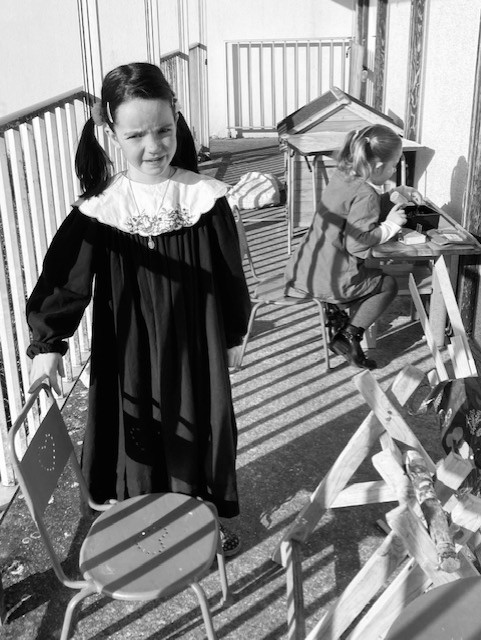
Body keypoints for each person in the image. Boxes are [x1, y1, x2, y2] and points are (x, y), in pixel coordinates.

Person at [26, 62, 251, 556]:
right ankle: (143, 520)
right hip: (127, 347)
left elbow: (230, 275)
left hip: (196, 346)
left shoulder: (203, 198)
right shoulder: (101, 209)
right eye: (135, 135)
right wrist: (49, 343)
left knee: (201, 426)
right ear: (112, 134)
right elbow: (65, 279)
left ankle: (201, 518)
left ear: (177, 119)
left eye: (164, 130)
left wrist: (235, 335)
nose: (154, 146)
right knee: (139, 432)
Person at [284, 124, 424, 370]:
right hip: (331, 278)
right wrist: (390, 226)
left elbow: (357, 210)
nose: (394, 171)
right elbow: (358, 245)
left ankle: (337, 311)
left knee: (368, 274)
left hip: (306, 269)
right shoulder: (366, 193)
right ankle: (349, 335)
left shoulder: (343, 177)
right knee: (387, 284)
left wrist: (395, 193)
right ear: (378, 166)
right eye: (393, 166)